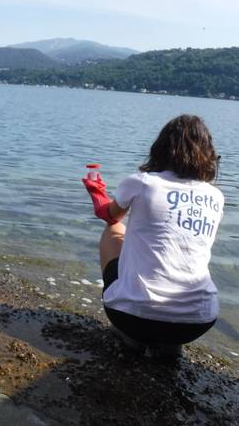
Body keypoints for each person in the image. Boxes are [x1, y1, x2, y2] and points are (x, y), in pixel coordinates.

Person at [82, 115, 224, 358]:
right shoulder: (215, 196)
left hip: (133, 317)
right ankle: (169, 345)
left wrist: (96, 192)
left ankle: (130, 336)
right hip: (197, 322)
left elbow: (109, 216)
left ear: (160, 148)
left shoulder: (142, 182)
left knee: (114, 231)